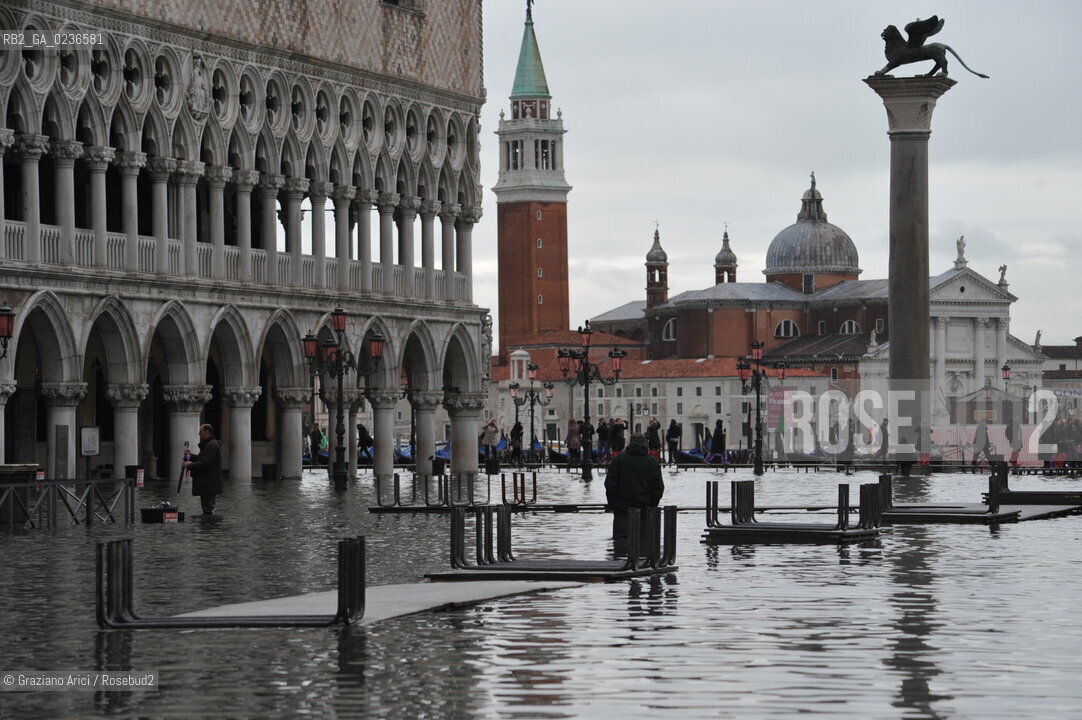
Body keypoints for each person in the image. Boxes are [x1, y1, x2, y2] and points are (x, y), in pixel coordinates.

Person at [605, 431, 664, 556]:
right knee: (644, 547)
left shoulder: (618, 460)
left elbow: (610, 485)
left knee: (620, 548)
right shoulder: (652, 463)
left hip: (622, 512)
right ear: (645, 444)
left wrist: (614, 505)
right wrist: (651, 504)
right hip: (644, 512)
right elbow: (658, 488)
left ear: (630, 443)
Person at [183, 424, 223, 515]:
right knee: (207, 507)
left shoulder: (212, 445)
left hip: (209, 483)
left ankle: (209, 526)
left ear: (206, 432)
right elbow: (201, 459)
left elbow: (205, 464)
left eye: (200, 432)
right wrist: (189, 456)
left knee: (208, 508)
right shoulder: (209, 444)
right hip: (207, 484)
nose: (199, 434)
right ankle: (207, 526)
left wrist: (188, 465)